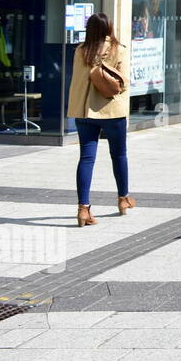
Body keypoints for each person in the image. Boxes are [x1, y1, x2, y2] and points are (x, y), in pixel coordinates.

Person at [66, 12, 132, 227]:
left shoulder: (80, 51)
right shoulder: (118, 49)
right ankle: (123, 199)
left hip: (85, 113)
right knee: (119, 155)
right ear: (108, 29)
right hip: (112, 111)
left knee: (86, 158)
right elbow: (123, 83)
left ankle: (83, 208)